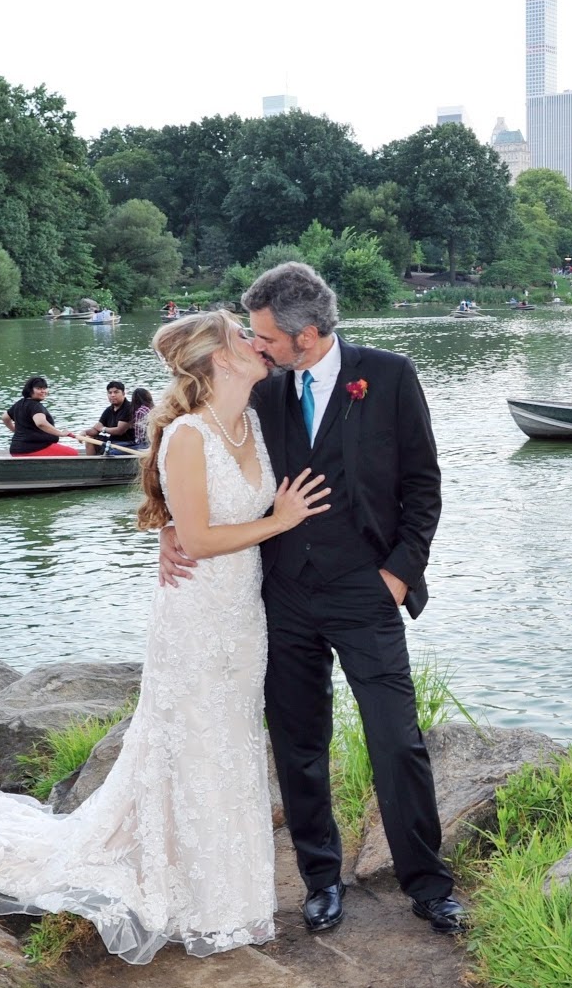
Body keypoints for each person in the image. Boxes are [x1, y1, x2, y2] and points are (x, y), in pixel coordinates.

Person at [0, 312, 332, 963]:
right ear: (219, 360)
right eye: (243, 337)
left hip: (243, 617)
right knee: (195, 742)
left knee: (231, 741)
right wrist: (280, 519)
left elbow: (201, 515)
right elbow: (201, 538)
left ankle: (231, 893)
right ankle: (201, 900)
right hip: (195, 616)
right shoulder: (184, 436)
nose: (258, 344)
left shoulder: (255, 421)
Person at [161, 262, 467, 938]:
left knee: (397, 738)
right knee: (299, 744)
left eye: (266, 336)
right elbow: (186, 434)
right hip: (282, 595)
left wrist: (397, 574)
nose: (256, 345)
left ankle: (428, 883)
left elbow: (424, 486)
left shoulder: (388, 376)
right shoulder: (259, 385)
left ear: (307, 334)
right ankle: (321, 879)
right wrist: (168, 529)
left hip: (367, 590)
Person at [2, 376, 80, 456]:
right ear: (30, 390)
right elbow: (41, 423)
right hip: (34, 449)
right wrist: (61, 433)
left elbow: (5, 417)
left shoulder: (19, 403)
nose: (43, 391)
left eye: (44, 388)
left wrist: (15, 430)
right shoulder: (36, 406)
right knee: (73, 453)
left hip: (16, 450)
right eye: (39, 388)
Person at [77, 381, 134, 455]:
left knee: (111, 450)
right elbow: (96, 429)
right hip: (112, 441)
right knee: (89, 439)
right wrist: (84, 432)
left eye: (116, 392)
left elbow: (120, 430)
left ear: (123, 393)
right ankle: (91, 464)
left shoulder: (129, 408)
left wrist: (103, 429)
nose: (112, 395)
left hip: (128, 443)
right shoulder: (109, 410)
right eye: (110, 393)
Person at [128, 386, 155, 451]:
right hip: (152, 441)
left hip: (144, 444)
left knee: (115, 451)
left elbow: (140, 436)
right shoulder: (152, 408)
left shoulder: (140, 412)